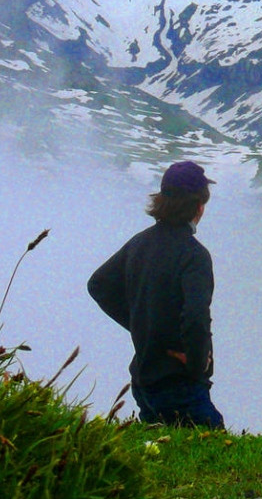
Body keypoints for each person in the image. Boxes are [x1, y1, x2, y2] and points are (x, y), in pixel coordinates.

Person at [88, 161, 224, 428]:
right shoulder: (194, 255)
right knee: (214, 451)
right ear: (198, 207)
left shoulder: (140, 243)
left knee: (160, 450)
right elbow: (196, 317)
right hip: (180, 384)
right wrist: (197, 366)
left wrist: (145, 328)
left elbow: (98, 285)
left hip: (144, 379)